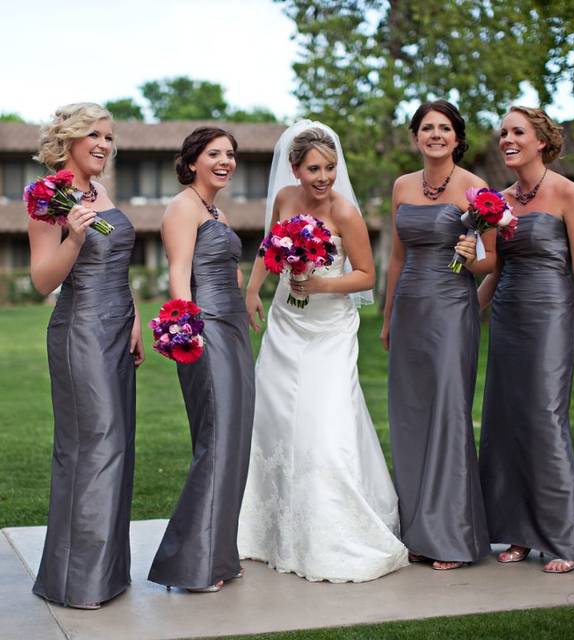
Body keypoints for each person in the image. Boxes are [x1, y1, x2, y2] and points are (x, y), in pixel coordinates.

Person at [238, 122, 408, 582]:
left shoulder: (346, 213)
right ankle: (267, 528)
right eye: (314, 168)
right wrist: (254, 290)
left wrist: (321, 284)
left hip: (329, 330)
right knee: (273, 419)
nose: (324, 177)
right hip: (286, 322)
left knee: (324, 423)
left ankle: (332, 527)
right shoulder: (284, 200)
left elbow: (367, 274)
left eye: (330, 168)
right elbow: (268, 247)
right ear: (294, 169)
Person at [477, 106, 574, 574]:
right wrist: (465, 312)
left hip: (551, 314)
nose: (507, 140)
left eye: (517, 132)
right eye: (503, 134)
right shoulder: (497, 201)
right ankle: (516, 531)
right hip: (508, 314)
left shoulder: (567, 193)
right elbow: (495, 268)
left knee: (544, 417)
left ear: (541, 140)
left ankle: (564, 539)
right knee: (505, 417)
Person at [29, 103, 144, 610]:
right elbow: (41, 280)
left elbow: (115, 259)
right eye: (94, 135)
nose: (103, 144)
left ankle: (107, 573)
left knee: (118, 443)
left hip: (119, 327)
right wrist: (74, 235)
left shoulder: (99, 192)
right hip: (81, 332)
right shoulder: (48, 197)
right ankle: (76, 581)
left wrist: (136, 318)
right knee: (92, 445)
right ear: (70, 139)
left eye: (108, 137)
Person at [382, 100, 494, 570]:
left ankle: (450, 536)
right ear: (415, 137)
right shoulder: (402, 186)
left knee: (449, 414)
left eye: (444, 128)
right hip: (409, 307)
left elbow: (493, 263)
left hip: (451, 307)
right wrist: (388, 317)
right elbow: (396, 258)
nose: (435, 135)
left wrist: (471, 256)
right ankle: (417, 530)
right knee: (410, 417)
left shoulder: (476, 189)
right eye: (426, 128)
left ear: (457, 137)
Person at [148, 127, 255, 593]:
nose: (225, 161)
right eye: (215, 153)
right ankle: (190, 564)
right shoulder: (182, 207)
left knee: (233, 439)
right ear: (192, 161)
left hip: (232, 328)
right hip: (205, 329)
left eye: (230, 154)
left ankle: (217, 554)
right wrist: (186, 329)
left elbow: (226, 266)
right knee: (216, 438)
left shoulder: (217, 211)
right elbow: (179, 273)